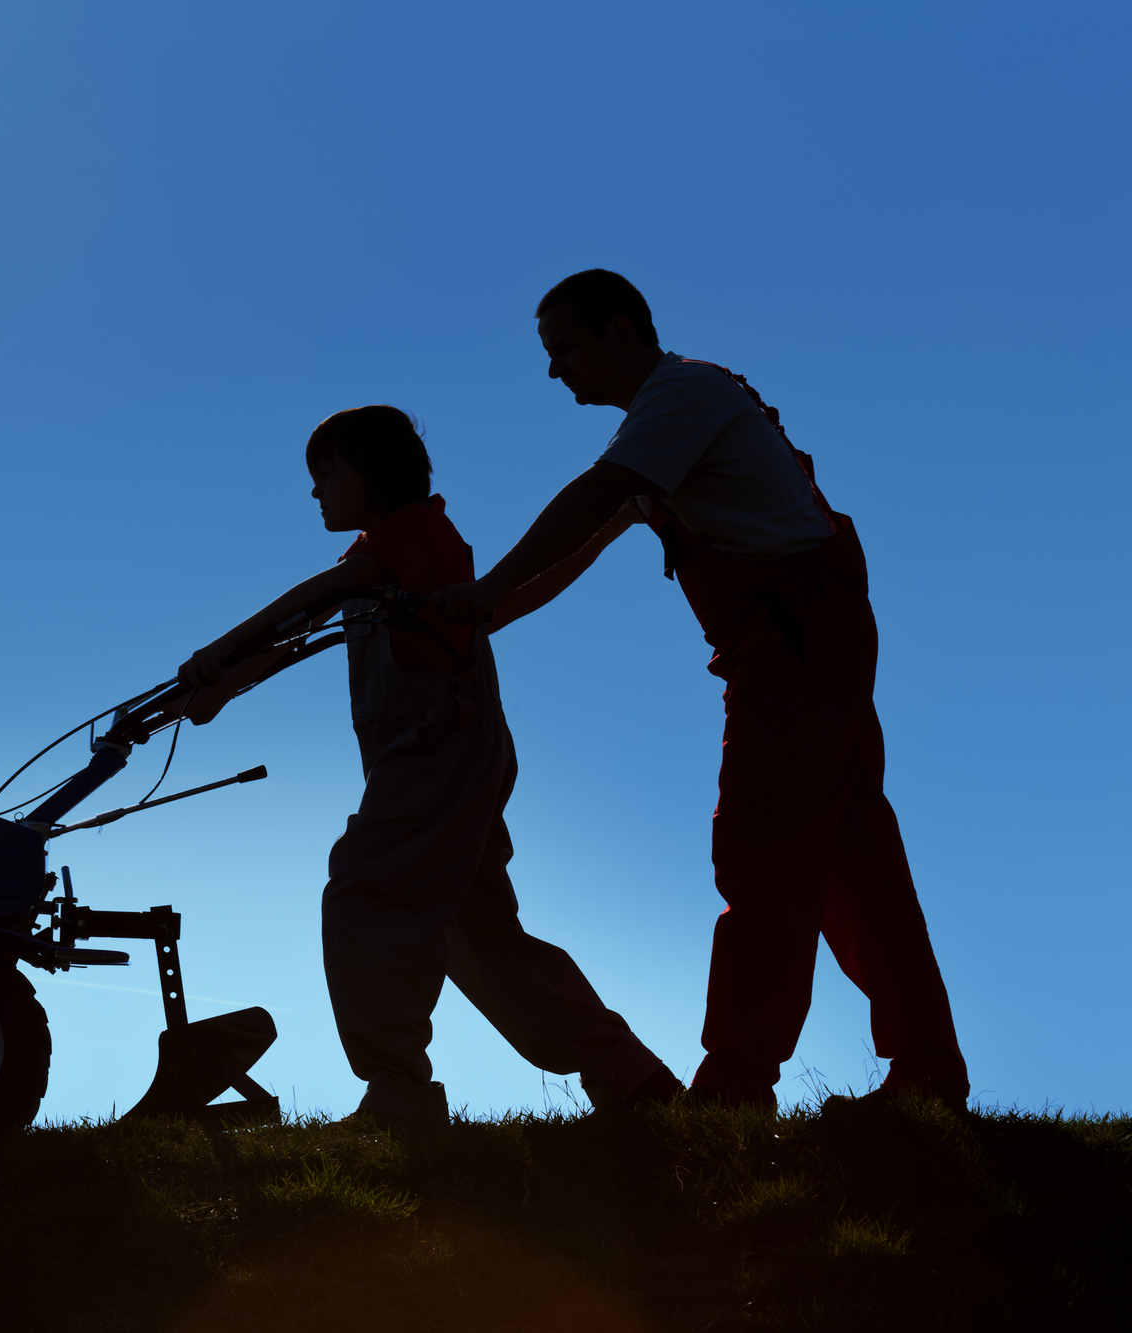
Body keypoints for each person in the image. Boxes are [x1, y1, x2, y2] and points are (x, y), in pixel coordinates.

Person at [430, 270, 969, 1110]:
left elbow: (594, 497)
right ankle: (927, 1072)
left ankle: (736, 1087)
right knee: (852, 861)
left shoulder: (679, 394)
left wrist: (487, 586)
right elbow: (583, 545)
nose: (553, 371)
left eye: (565, 348)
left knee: (758, 849)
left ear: (621, 332)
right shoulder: (669, 426)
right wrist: (481, 618)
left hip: (791, 641)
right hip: (808, 636)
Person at [177, 405, 681, 1124]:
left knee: (366, 890)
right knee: (477, 932)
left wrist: (221, 648)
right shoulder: (380, 562)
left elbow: (318, 598)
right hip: (436, 756)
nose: (315, 491)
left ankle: (399, 1087)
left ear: (375, 474)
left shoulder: (413, 532)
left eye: (327, 473)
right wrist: (227, 684)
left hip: (439, 748)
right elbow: (305, 633)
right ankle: (628, 1074)